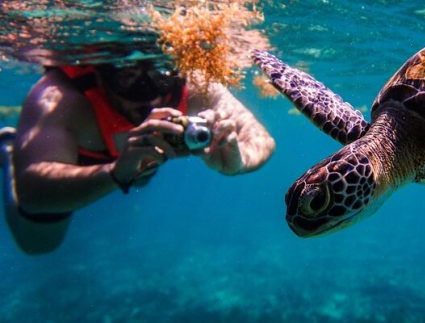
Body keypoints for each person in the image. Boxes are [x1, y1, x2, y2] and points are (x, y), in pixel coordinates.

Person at [0, 57, 275, 255]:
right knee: (39, 245)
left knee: (141, 177)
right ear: (99, 74)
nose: (148, 99)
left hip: (136, 162)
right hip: (83, 161)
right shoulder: (60, 97)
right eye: (126, 76)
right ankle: (12, 149)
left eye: (160, 76)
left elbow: (261, 139)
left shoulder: (197, 85)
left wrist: (239, 162)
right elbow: (32, 193)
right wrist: (114, 174)